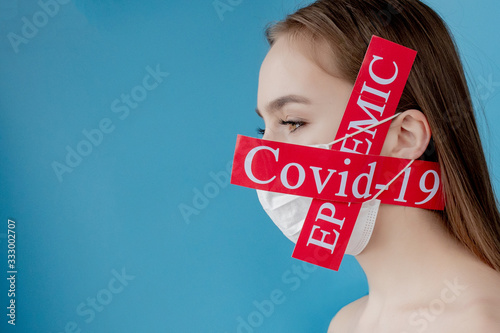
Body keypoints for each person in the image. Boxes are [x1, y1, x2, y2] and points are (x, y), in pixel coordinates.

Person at [254, 0, 500, 331]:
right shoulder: (345, 323)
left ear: (404, 136)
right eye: (263, 128)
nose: (263, 157)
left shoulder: (477, 323)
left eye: (293, 122)